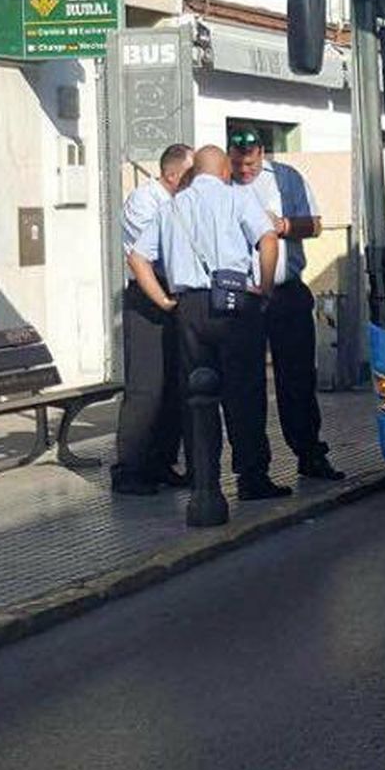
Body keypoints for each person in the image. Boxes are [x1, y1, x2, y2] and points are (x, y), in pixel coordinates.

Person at [128, 145, 288, 527]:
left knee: (197, 397)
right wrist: (264, 286)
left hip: (190, 308)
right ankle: (252, 477)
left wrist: (165, 301)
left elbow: (137, 257)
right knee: (245, 392)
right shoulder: (238, 197)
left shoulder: (171, 207)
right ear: (223, 172)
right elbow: (268, 238)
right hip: (235, 301)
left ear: (192, 173)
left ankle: (204, 479)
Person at [229, 129, 343, 480]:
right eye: (237, 162)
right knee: (246, 385)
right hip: (243, 296)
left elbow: (315, 224)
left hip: (285, 291)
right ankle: (252, 469)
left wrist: (283, 225)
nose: (243, 169)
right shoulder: (222, 184)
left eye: (249, 163)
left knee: (296, 378)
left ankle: (309, 453)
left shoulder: (286, 179)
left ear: (261, 153)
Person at [112, 143, 195, 495]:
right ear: (174, 175)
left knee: (175, 383)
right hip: (148, 295)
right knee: (146, 387)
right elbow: (154, 251)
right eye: (192, 175)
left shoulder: (181, 202)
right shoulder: (144, 201)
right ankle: (129, 469)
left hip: (176, 293)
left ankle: (162, 461)